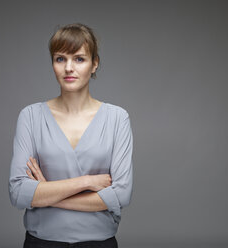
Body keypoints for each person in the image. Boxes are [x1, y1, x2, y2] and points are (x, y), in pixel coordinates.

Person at [8, 23, 134, 248]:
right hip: (42, 243)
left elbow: (121, 195)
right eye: (60, 59)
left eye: (79, 59)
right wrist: (86, 182)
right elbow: (18, 193)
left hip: (99, 243)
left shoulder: (117, 118)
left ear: (94, 64)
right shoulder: (30, 116)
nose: (68, 68)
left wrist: (47, 192)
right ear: (53, 64)